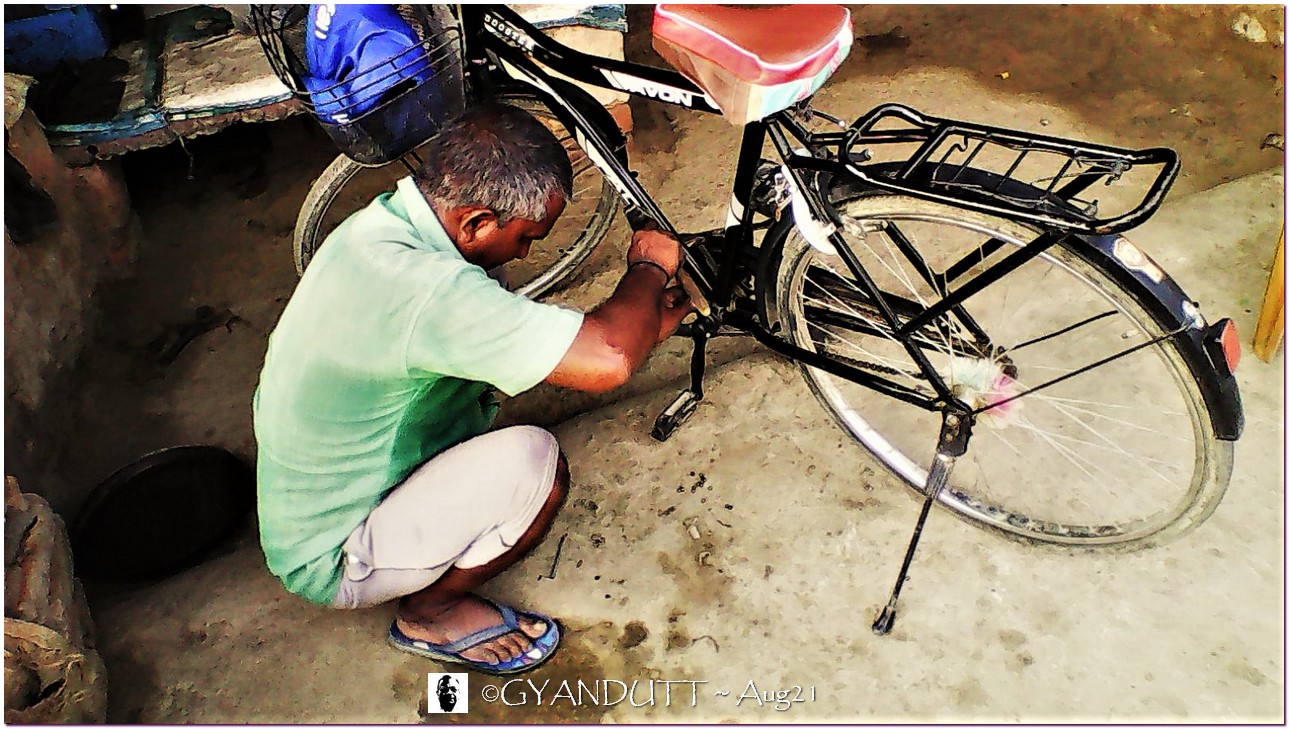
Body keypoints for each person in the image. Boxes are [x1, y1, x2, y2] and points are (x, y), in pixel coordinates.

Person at [252, 103, 693, 675]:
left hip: (309, 495)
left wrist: (643, 327)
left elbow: (600, 346)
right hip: (333, 552)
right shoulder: (428, 293)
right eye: (526, 237)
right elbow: (607, 360)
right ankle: (430, 613)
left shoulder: (383, 228)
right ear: (478, 222)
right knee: (535, 464)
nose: (527, 253)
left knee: (501, 303)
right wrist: (648, 269)